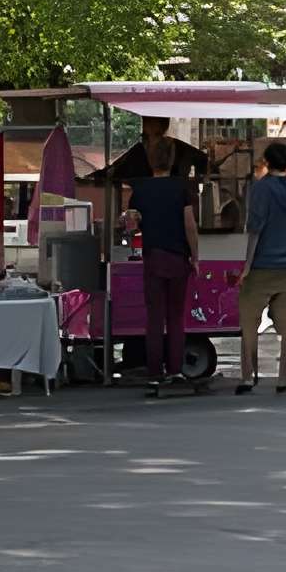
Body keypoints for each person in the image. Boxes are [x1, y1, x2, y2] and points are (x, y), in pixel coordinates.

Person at [87, 119, 210, 390]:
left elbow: (132, 223)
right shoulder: (181, 188)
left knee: (154, 317)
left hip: (153, 257)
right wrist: (196, 256)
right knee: (176, 317)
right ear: (174, 158)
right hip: (179, 258)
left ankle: (155, 370)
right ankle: (176, 369)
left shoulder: (139, 190)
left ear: (151, 160)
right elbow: (190, 224)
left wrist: (128, 223)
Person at [235, 141, 286, 397]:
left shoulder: (261, 189)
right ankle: (282, 379)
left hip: (261, 268)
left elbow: (255, 230)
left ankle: (249, 377)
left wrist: (246, 267)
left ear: (267, 162)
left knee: (249, 323)